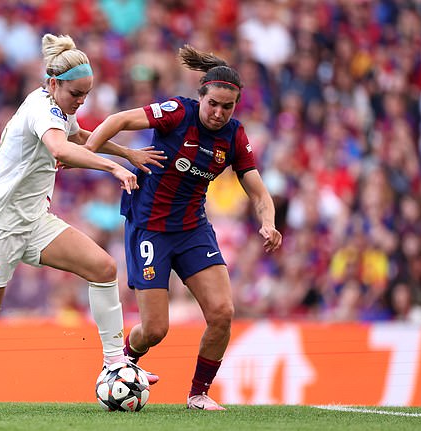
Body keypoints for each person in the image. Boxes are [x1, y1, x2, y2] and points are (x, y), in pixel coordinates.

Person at [0, 33, 163, 410]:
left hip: (34, 221)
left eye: (86, 95)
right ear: (54, 83)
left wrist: (127, 153)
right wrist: (112, 167)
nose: (81, 102)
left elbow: (79, 136)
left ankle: (114, 362)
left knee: (103, 268)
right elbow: (62, 149)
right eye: (76, 94)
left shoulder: (59, 108)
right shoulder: (39, 108)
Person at [85, 44, 283, 410]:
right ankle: (124, 359)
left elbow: (258, 190)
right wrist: (88, 155)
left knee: (223, 313)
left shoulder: (234, 137)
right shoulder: (177, 112)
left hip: (193, 229)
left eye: (228, 107)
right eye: (213, 104)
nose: (219, 113)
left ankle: (198, 393)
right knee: (156, 330)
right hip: (150, 227)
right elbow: (117, 121)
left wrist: (268, 222)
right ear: (201, 97)